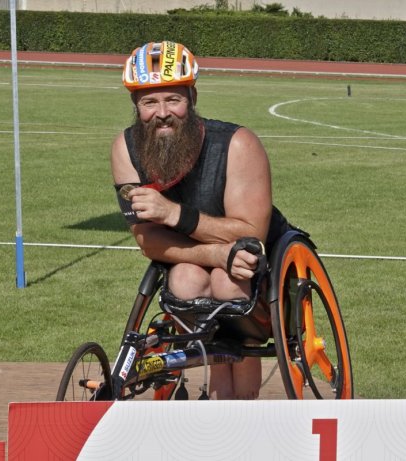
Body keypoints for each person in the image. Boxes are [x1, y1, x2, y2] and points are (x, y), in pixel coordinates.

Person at [110, 41, 290, 399]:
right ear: (136, 106)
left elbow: (250, 233)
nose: (162, 112)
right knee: (184, 278)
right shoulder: (125, 149)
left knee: (228, 281)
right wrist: (214, 256)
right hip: (194, 260)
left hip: (256, 264)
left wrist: (173, 213)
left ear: (192, 97)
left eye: (173, 99)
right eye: (149, 102)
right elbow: (147, 240)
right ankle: (214, 397)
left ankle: (241, 404)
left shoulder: (238, 144)